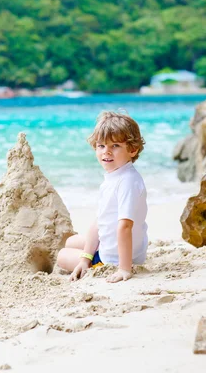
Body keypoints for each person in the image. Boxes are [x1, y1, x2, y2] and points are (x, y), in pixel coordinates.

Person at [57, 111, 148, 283]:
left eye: (115, 146)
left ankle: (99, 262)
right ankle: (90, 257)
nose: (107, 152)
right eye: (101, 146)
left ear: (133, 149)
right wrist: (84, 258)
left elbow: (125, 227)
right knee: (71, 241)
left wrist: (124, 268)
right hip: (117, 245)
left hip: (116, 258)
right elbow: (99, 221)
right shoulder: (116, 176)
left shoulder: (127, 181)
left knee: (62, 255)